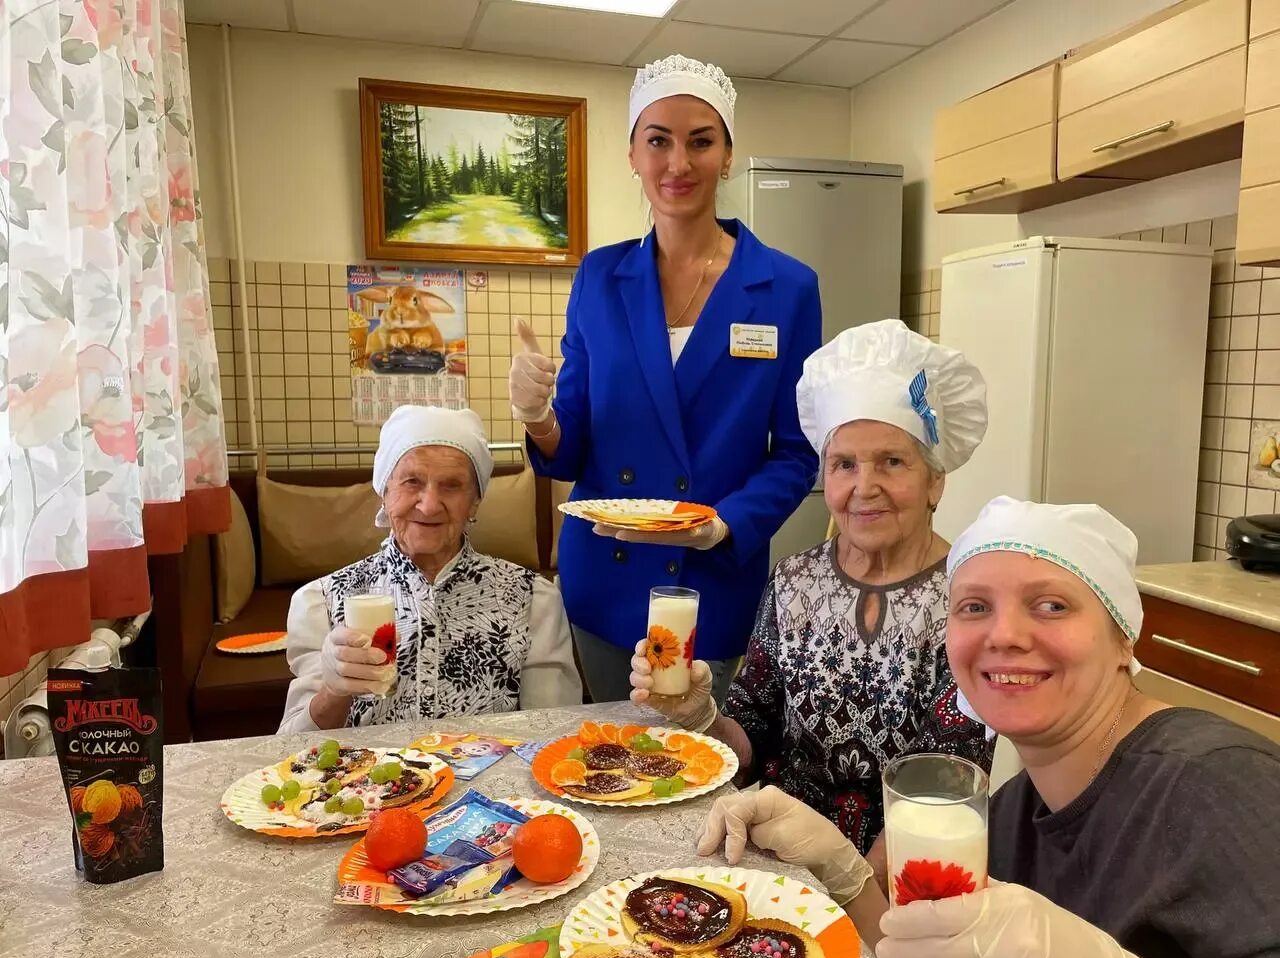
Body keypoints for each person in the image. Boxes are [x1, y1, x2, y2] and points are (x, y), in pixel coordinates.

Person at [702, 497, 1280, 958]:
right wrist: (844, 873)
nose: (1004, 635)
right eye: (974, 607)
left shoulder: (1219, 788)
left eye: (1051, 605)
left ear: (1123, 635)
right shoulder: (1008, 816)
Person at [508, 54, 821, 704]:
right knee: (602, 766)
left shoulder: (787, 287)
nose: (678, 163)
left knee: (698, 767)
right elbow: (571, 448)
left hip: (711, 581)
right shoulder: (599, 277)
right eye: (658, 140)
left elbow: (796, 451)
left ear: (728, 155)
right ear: (633, 155)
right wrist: (537, 414)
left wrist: (726, 522)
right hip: (603, 586)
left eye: (700, 141)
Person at [632, 320, 993, 856]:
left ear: (935, 479)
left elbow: (941, 792)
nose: (863, 488)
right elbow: (750, 747)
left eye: (892, 462)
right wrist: (698, 714)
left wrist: (850, 893)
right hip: (777, 855)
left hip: (896, 882)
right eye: (844, 464)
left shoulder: (973, 602)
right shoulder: (793, 582)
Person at [279, 406, 581, 733]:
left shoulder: (533, 599)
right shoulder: (321, 601)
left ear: (475, 500)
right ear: (385, 490)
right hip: (367, 783)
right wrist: (334, 691)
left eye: (451, 485)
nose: (429, 504)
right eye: (412, 481)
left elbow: (552, 732)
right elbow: (292, 750)